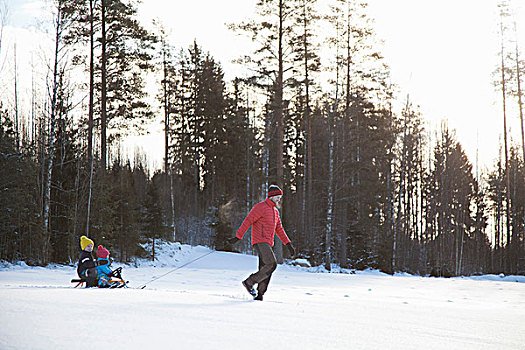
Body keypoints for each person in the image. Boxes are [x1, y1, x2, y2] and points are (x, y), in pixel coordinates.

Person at [228, 185, 295, 301]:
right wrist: (238, 236)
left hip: (269, 243)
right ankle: (249, 282)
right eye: (278, 196)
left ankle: (260, 294)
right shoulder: (260, 207)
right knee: (271, 264)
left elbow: (279, 229)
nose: (279, 199)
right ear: (272, 196)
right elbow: (248, 221)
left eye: (280, 197)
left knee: (265, 268)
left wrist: (288, 244)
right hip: (260, 241)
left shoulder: (275, 212)